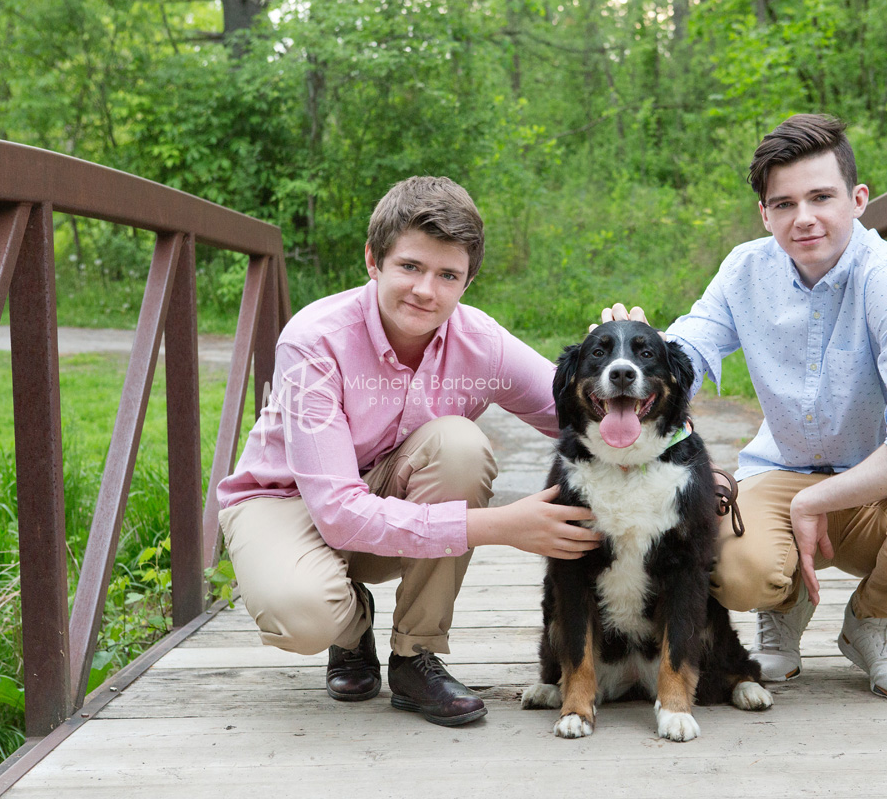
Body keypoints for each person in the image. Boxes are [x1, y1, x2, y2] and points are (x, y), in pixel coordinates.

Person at [607, 114, 887, 699]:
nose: (803, 218)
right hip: (778, 470)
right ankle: (782, 606)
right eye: (783, 204)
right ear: (765, 214)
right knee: (734, 571)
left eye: (821, 197)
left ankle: (874, 622)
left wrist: (816, 500)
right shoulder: (745, 268)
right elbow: (692, 351)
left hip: (880, 484)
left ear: (857, 199)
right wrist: (642, 352)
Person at [216, 176, 599, 727]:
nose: (426, 290)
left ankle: (415, 657)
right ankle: (351, 625)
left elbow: (586, 410)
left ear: (467, 281)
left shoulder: (480, 341)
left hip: (386, 496)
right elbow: (339, 513)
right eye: (410, 267)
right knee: (303, 613)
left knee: (460, 446)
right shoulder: (314, 340)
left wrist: (623, 372)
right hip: (287, 500)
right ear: (373, 260)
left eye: (448, 275)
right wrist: (502, 525)